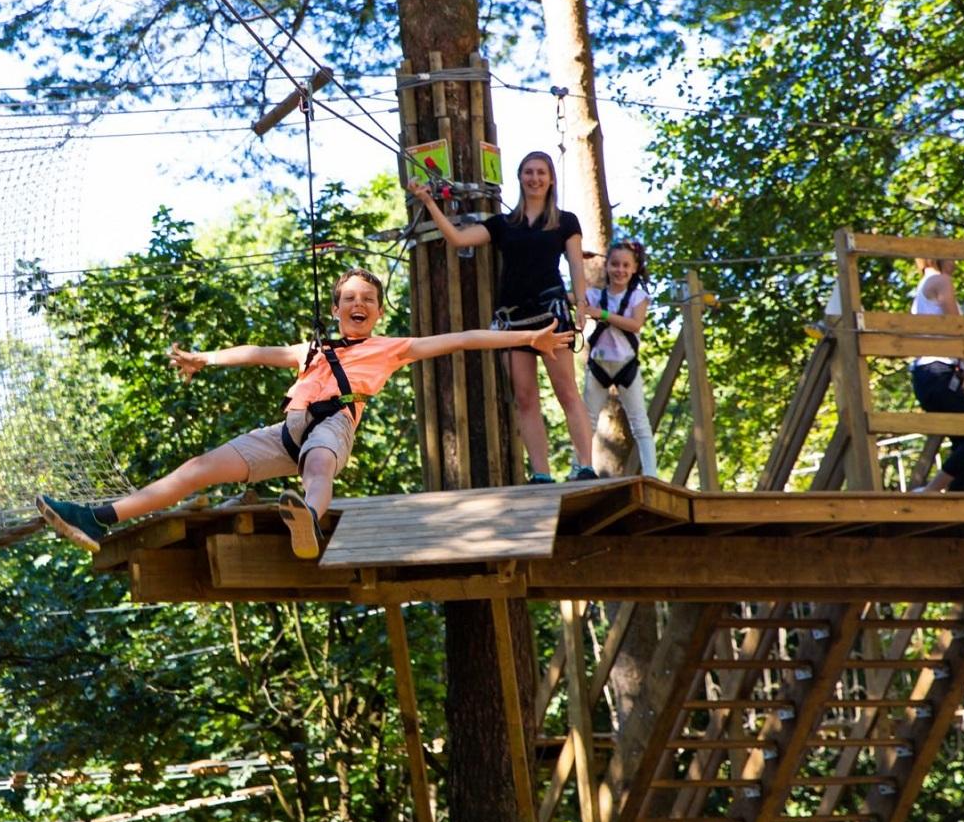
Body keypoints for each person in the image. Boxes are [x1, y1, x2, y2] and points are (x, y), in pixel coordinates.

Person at [36, 268, 572, 559]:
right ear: (337, 308)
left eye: (367, 299)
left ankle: (307, 522)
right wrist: (206, 359)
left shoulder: (389, 347)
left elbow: (460, 339)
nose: (357, 304)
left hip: (334, 425)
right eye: (349, 298)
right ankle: (100, 517)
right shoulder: (313, 350)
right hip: (283, 432)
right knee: (198, 468)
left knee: (319, 468)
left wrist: (529, 338)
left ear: (378, 312)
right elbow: (257, 353)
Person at [408, 151, 596, 482]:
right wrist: (429, 202)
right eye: (528, 172)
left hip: (551, 313)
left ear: (551, 179)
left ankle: (585, 465)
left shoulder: (566, 221)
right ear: (520, 177)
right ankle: (541, 472)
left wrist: (580, 303)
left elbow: (576, 264)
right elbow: (459, 239)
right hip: (512, 319)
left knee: (566, 390)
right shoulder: (504, 224)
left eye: (541, 172)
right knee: (524, 396)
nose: (535, 178)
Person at [907, 256, 964, 493]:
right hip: (937, 371)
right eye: (952, 256)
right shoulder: (941, 280)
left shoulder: (922, 288)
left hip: (928, 374)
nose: (956, 262)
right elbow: (957, 326)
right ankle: (932, 489)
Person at [583, 239, 660, 476]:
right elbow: (574, 297)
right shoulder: (595, 295)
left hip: (626, 365)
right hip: (599, 363)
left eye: (626, 265)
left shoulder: (638, 298)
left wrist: (603, 314)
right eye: (615, 264)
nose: (620, 270)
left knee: (640, 422)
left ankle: (650, 473)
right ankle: (582, 467)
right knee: (587, 420)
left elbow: (635, 324)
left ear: (634, 268)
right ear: (606, 267)